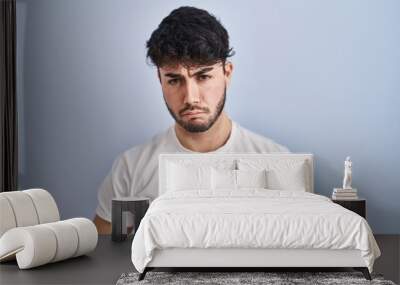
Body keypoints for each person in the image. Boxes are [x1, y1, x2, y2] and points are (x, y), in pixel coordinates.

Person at [93, 6, 289, 234]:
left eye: (203, 76)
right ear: (160, 80)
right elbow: (106, 255)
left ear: (227, 73)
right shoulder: (131, 168)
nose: (191, 97)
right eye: (175, 80)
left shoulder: (275, 161)